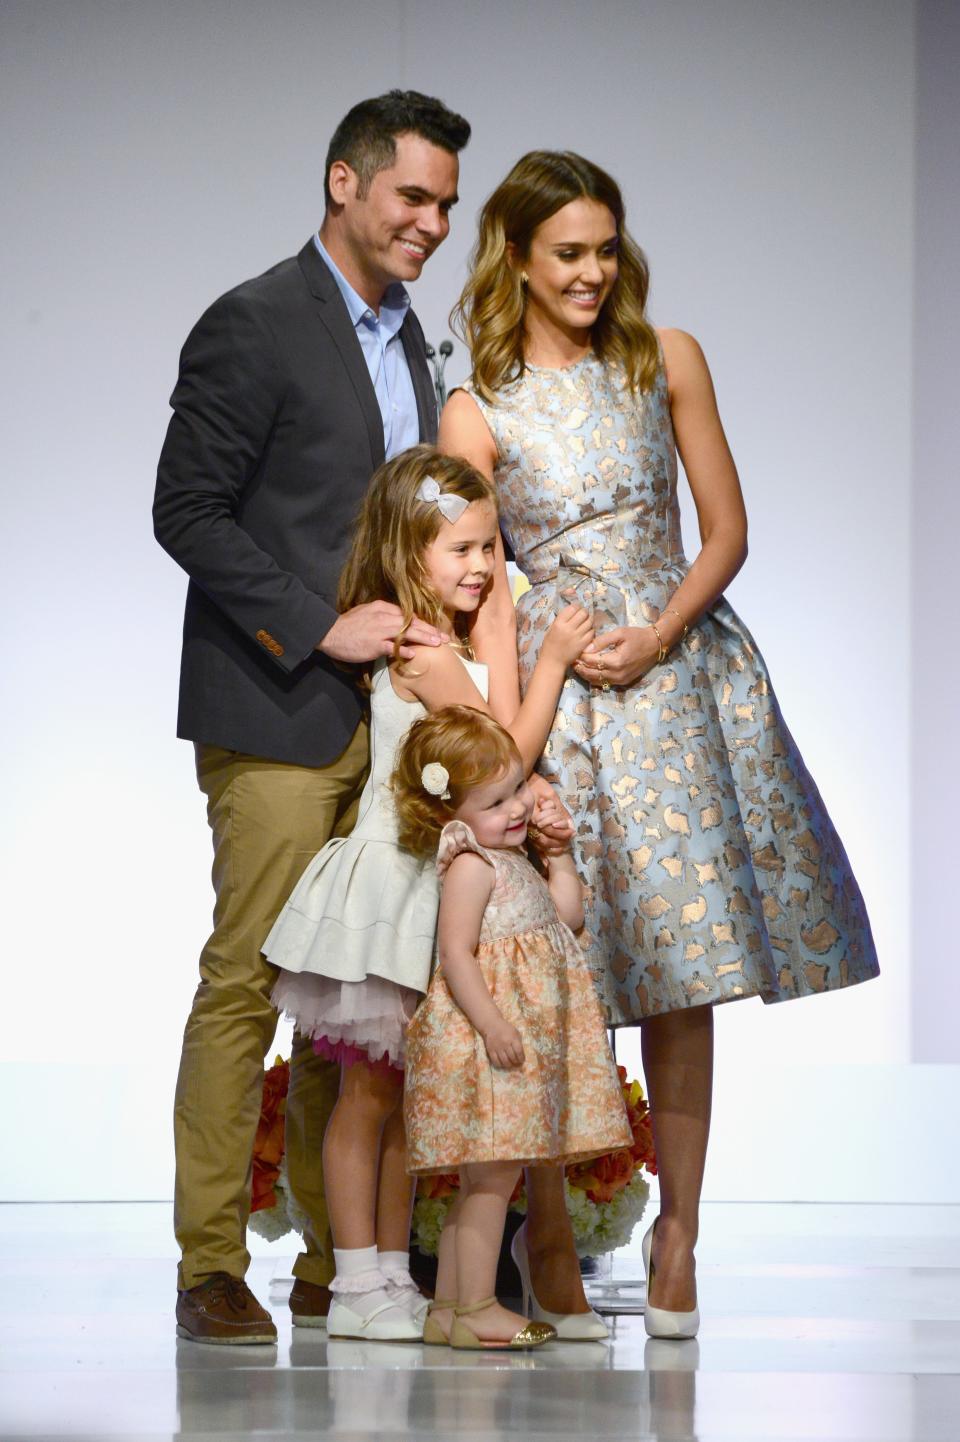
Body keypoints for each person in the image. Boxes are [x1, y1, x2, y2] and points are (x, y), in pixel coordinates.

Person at [439, 150, 880, 1339]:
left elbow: (726, 528)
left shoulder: (664, 356)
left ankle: (680, 1234)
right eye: (566, 253)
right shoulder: (475, 401)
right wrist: (515, 693)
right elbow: (475, 575)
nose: (591, 272)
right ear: (518, 260)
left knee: (686, 975)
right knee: (553, 965)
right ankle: (551, 1247)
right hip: (556, 683)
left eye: (604, 248)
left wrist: (660, 632)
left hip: (678, 674)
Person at [152, 90, 472, 1345]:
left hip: (390, 721)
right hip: (276, 701)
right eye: (413, 197)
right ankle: (207, 1260)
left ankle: (341, 1255)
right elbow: (188, 511)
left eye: (446, 203)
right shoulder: (252, 323)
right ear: (344, 184)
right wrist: (316, 622)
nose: (433, 222)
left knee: (359, 989)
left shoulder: (412, 344)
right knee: (248, 980)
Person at [263, 446, 593, 1340]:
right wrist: (548, 655)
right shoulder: (419, 646)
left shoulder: (452, 638)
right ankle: (356, 1278)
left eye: (492, 548)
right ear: (409, 555)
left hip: (440, 889)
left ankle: (389, 1273)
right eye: (462, 550)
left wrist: (497, 636)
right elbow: (505, 755)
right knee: (366, 1092)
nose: (485, 568)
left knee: (410, 1092)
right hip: (397, 886)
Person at [393, 705, 633, 1348]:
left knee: (488, 1176)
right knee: (492, 1177)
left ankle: (450, 1309)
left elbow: (568, 917)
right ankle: (474, 1306)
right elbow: (455, 954)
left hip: (517, 1036)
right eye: (496, 801)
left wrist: (558, 858)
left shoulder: (512, 857)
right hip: (486, 1039)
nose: (517, 809)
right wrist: (493, 1022)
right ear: (451, 814)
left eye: (517, 789)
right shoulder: (472, 865)